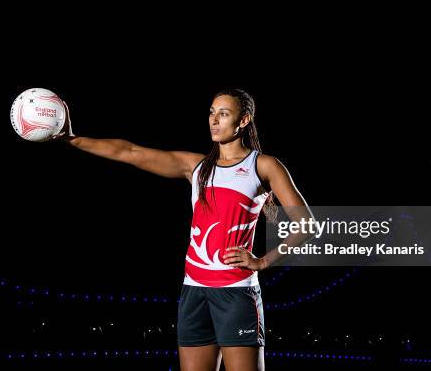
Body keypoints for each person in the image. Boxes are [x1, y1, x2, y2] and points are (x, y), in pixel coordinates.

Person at [55, 89, 312, 371]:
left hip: (236, 293)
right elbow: (130, 152)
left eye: (223, 114)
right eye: (212, 113)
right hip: (194, 291)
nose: (214, 120)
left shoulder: (262, 166)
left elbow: (307, 225)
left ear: (243, 120)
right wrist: (73, 139)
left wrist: (262, 261)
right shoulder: (197, 168)